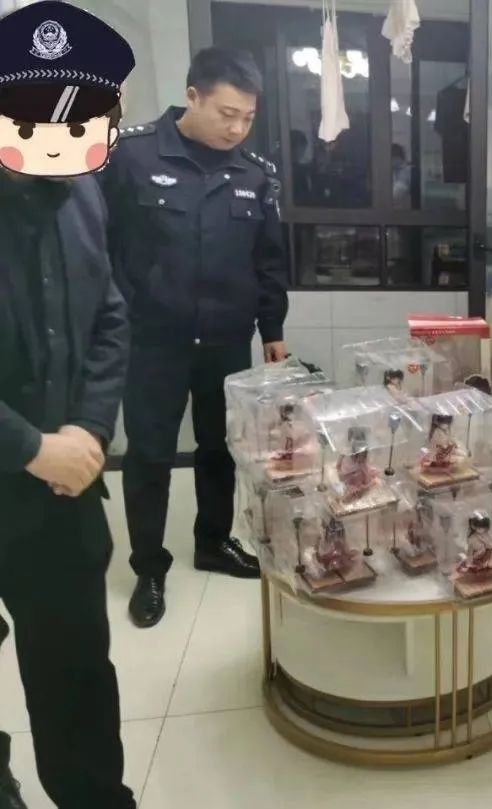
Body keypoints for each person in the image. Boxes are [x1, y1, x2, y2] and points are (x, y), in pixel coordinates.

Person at [101, 46, 290, 629]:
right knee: (150, 455)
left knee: (219, 449)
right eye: (227, 114)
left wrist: (273, 329)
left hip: (227, 340)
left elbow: (269, 260)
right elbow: (99, 247)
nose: (237, 129)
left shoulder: (255, 174)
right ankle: (148, 567)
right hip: (152, 341)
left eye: (247, 118)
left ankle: (212, 543)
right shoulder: (129, 156)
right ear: (192, 96)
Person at [0, 4, 136, 804]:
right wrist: (29, 445)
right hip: (22, 461)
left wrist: (86, 430)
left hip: (61, 493)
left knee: (77, 669)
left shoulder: (82, 192)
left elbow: (109, 315)